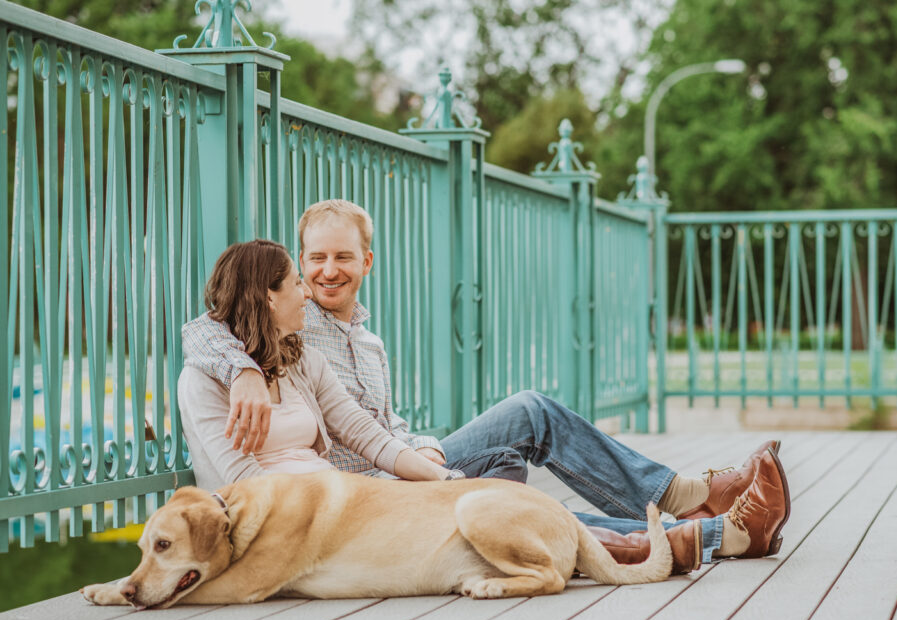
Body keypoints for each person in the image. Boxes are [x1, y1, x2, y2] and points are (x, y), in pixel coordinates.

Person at [182, 201, 790, 574]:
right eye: (313, 259)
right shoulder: (291, 327)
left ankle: (688, 523)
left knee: (506, 473)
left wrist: (422, 449)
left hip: (401, 466)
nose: (325, 272)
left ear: (367, 261)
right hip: (360, 497)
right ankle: (696, 513)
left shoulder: (363, 341)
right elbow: (205, 327)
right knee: (531, 413)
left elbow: (377, 429)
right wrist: (241, 368)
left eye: (342, 257)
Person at [179, 239, 525, 489]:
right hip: (300, 521)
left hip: (348, 498)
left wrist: (443, 479)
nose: (307, 293)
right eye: (297, 282)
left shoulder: (303, 361)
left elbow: (365, 433)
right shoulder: (202, 380)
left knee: (498, 467)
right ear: (270, 298)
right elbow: (244, 483)